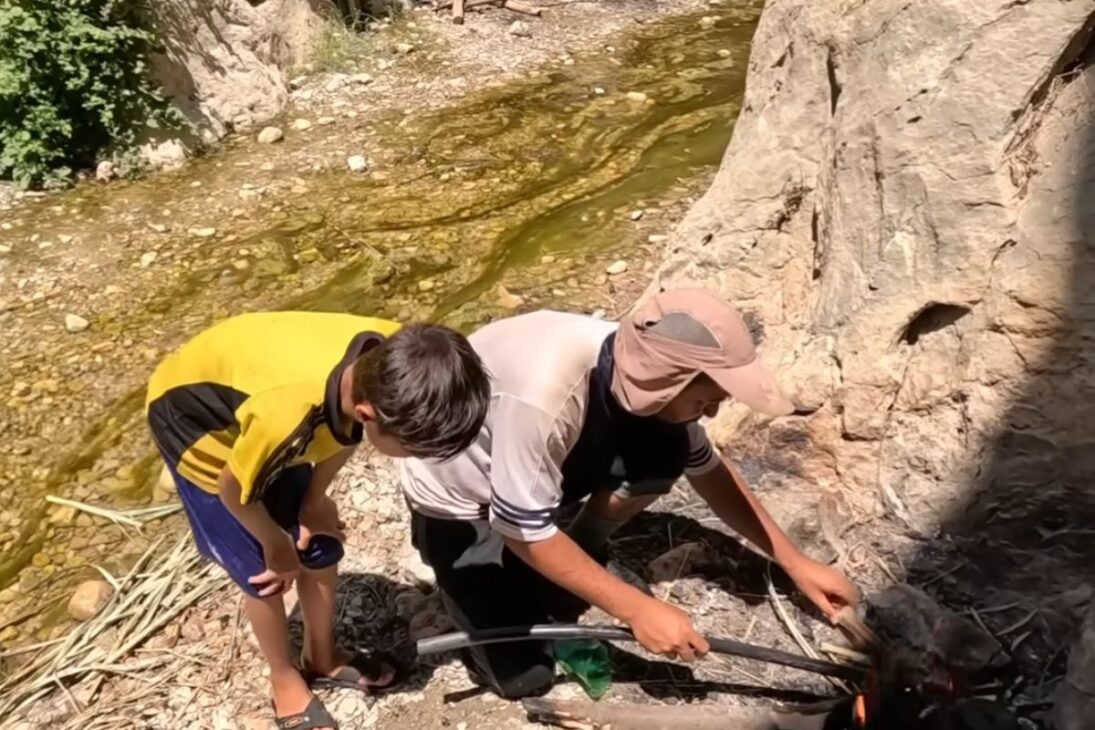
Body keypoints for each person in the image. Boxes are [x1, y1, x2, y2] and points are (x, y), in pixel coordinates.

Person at [400, 288, 860, 699]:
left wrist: (795, 562)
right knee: (526, 679)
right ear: (669, 383)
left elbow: (710, 471)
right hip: (458, 498)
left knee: (664, 453)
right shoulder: (546, 395)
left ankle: (571, 553)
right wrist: (637, 609)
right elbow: (522, 531)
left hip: (532, 473)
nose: (713, 413)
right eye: (705, 401)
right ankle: (486, 585)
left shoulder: (642, 365)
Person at [146, 311, 490, 730]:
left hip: (260, 396)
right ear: (368, 413)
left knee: (319, 543)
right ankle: (283, 674)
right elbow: (232, 489)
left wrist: (314, 498)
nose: (422, 459)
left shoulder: (392, 358)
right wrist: (274, 543)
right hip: (197, 419)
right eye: (417, 449)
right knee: (261, 572)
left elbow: (346, 434)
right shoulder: (288, 417)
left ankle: (321, 656)